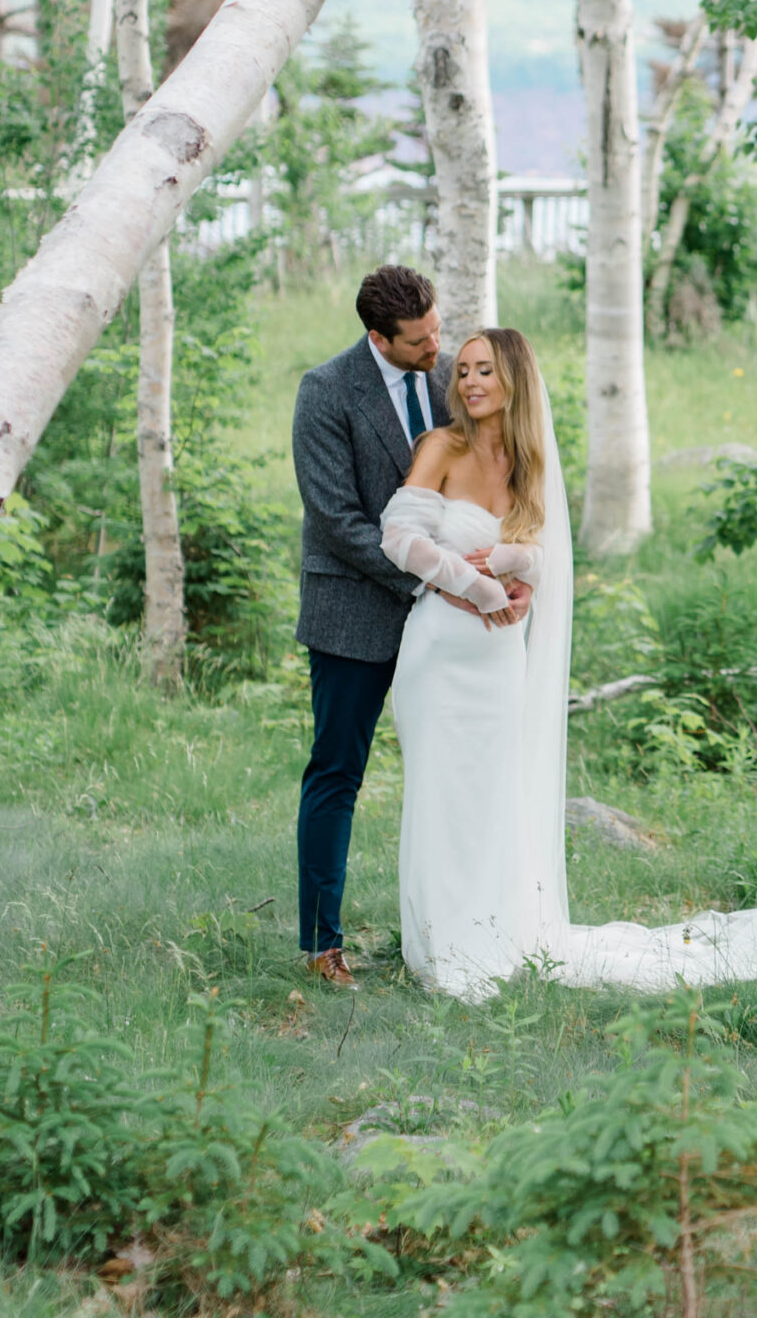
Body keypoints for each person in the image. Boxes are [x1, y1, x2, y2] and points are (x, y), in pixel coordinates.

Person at [377, 325, 757, 996]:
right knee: (440, 796)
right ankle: (442, 949)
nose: (472, 382)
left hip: (499, 662)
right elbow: (399, 537)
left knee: (493, 797)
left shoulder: (530, 463)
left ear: (515, 378)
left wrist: (514, 564)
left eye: (486, 370)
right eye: (464, 373)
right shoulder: (441, 448)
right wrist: (476, 583)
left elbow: (543, 557)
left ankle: (494, 934)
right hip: (438, 657)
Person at [291, 264, 473, 988]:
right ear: (378, 338)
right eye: (420, 340)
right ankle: (320, 944)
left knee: (457, 770)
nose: (438, 347)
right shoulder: (326, 392)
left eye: (437, 328)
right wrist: (432, 579)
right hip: (354, 611)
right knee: (338, 774)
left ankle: (455, 928)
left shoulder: (456, 375)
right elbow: (335, 520)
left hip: (452, 615)